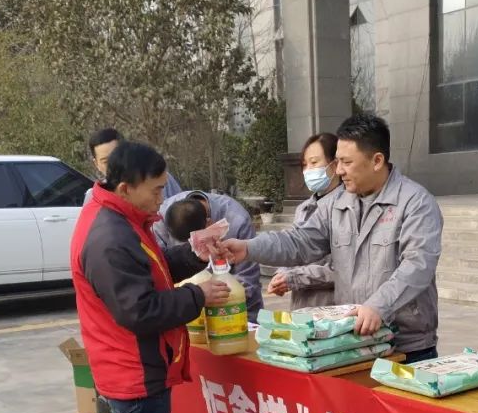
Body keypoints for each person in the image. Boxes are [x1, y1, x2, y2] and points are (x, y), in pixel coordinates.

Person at [70, 141, 229, 413]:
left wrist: (194, 253)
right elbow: (139, 311)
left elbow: (152, 271)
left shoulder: (119, 219)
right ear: (126, 186)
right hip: (133, 366)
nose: (163, 197)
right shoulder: (109, 237)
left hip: (122, 363)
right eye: (157, 190)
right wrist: (199, 295)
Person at [212, 113, 442, 363]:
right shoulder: (336, 204)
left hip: (406, 345)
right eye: (337, 161)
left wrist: (378, 306)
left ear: (377, 160)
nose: (339, 170)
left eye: (346, 162)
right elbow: (300, 241)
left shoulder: (415, 203)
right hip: (353, 340)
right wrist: (248, 248)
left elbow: (418, 265)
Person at [158, 190, 264, 322]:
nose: (192, 250)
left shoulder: (237, 220)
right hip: (186, 312)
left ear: (210, 224)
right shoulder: (159, 218)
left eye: (196, 245)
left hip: (235, 311)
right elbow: (159, 267)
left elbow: (246, 278)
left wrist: (217, 299)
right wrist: (193, 300)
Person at [267, 132, 341, 308]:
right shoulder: (304, 208)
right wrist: (281, 275)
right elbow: (294, 249)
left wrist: (295, 278)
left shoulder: (346, 207)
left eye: (314, 163)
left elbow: (342, 268)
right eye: (304, 165)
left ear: (335, 164)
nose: (308, 170)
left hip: (331, 307)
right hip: (301, 306)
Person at [84, 127, 183, 204]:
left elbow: (184, 209)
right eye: (106, 162)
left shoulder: (160, 178)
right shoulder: (94, 198)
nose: (113, 165)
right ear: (96, 164)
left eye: (118, 157)